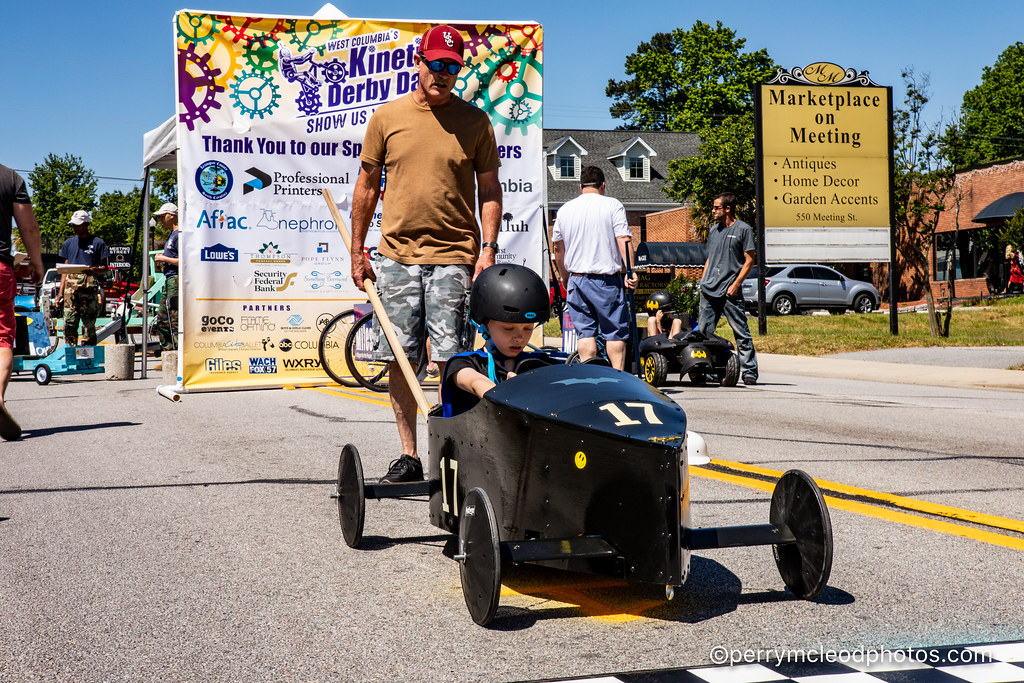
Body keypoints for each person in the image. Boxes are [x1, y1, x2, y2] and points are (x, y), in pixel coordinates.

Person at [349, 24, 502, 483]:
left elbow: (490, 189)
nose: (443, 74)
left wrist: (487, 250)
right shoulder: (387, 118)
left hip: (455, 254)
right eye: (435, 64)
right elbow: (366, 187)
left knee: (453, 359)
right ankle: (409, 454)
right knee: (401, 356)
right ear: (419, 62)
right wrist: (358, 251)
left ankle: (455, 454)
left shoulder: (475, 123)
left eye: (452, 67)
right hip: (395, 255)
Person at [552, 165, 637, 370]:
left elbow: (558, 248)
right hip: (606, 280)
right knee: (615, 333)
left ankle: (590, 379)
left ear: (580, 186)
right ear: (603, 186)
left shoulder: (565, 209)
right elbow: (623, 240)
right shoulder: (612, 205)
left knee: (585, 333)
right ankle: (617, 381)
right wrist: (631, 271)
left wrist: (565, 277)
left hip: (577, 279)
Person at [441, 264, 553, 417]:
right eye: (508, 328)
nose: (519, 337)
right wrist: (508, 392)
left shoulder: (540, 363)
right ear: (483, 325)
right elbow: (476, 384)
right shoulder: (463, 365)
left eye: (527, 328)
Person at [0, 164, 44, 440]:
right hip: (0, 269)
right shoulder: (10, 178)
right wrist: (36, 260)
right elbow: (28, 227)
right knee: (3, 338)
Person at [698, 192, 758, 385]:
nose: (713, 210)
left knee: (741, 332)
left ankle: (749, 371)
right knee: (703, 332)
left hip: (729, 291)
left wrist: (736, 284)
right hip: (709, 290)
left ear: (727, 209)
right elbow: (710, 258)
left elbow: (750, 260)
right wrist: (703, 280)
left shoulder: (743, 229)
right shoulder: (714, 230)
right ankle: (706, 370)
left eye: (716, 207)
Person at [57, 210, 109, 347]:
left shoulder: (98, 243)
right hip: (70, 289)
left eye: (78, 225)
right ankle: (70, 350)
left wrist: (94, 270)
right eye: (74, 225)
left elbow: (105, 268)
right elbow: (64, 270)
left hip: (88, 288)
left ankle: (88, 354)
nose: (76, 228)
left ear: (86, 224)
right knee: (69, 322)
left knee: (88, 323)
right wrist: (60, 292)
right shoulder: (68, 243)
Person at [152, 203, 180, 357]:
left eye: (163, 216)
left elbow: (184, 261)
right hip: (168, 279)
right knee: (162, 318)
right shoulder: (172, 234)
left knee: (174, 317)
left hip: (175, 279)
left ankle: (177, 353)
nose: (161, 219)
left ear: (172, 215)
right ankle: (168, 351)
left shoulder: (180, 234)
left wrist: (164, 258)